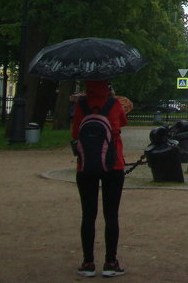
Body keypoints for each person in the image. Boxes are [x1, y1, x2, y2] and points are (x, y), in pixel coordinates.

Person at [71, 80, 127, 278]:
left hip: (85, 166)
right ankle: (110, 262)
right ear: (108, 85)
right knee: (111, 215)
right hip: (114, 164)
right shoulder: (115, 104)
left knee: (88, 215)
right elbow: (122, 123)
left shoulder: (81, 106)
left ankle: (88, 262)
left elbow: (74, 133)